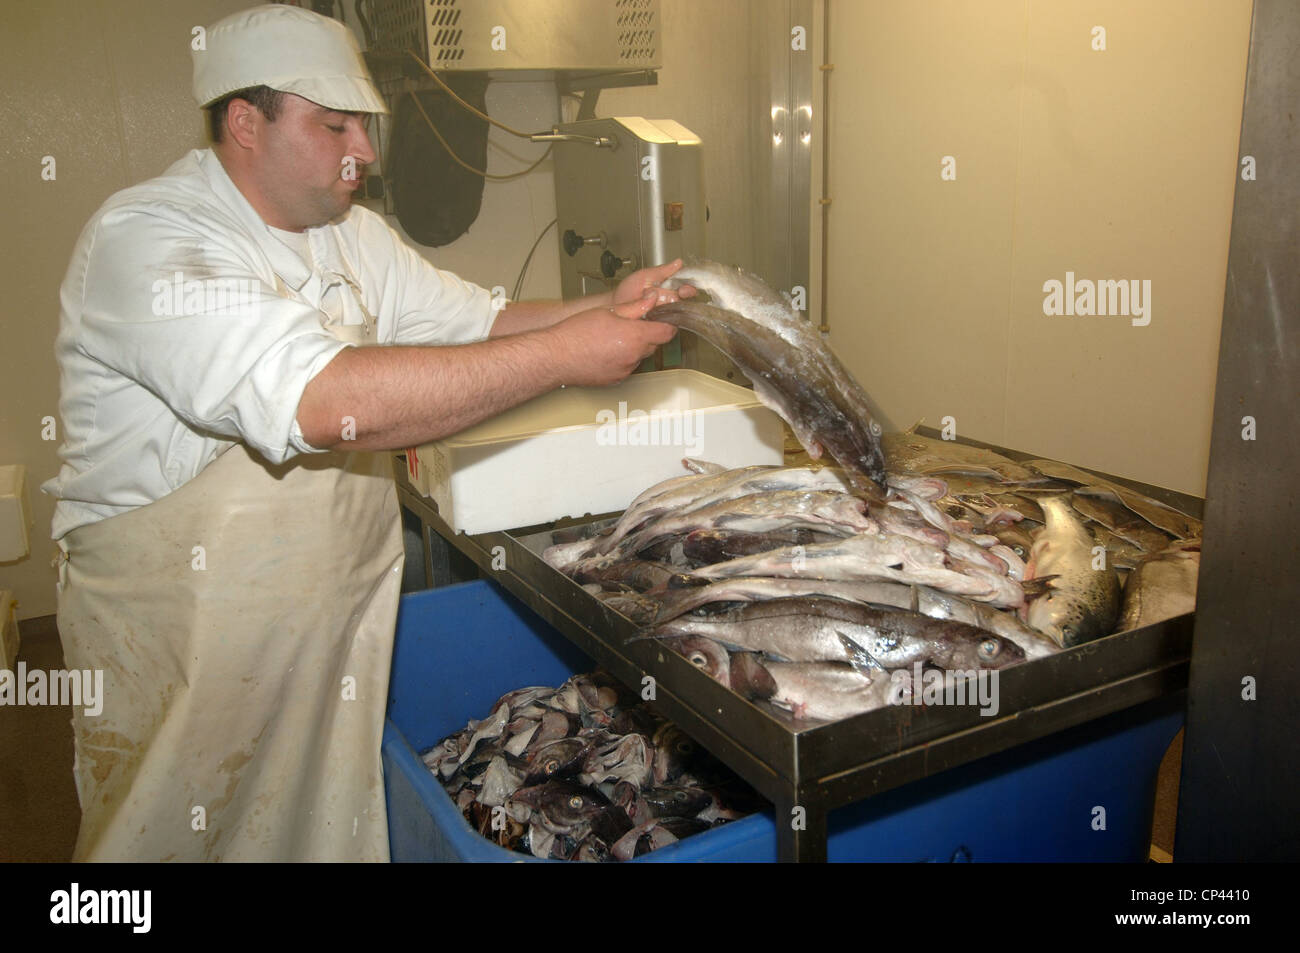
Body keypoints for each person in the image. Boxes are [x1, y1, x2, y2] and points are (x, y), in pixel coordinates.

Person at [41, 4, 688, 862]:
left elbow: (480, 321)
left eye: (366, 124)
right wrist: (568, 355)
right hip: (180, 631)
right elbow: (314, 400)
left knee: (317, 825)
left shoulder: (354, 236)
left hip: (325, 615)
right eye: (334, 124)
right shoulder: (150, 240)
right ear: (245, 121)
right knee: (167, 830)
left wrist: (600, 307)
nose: (368, 153)